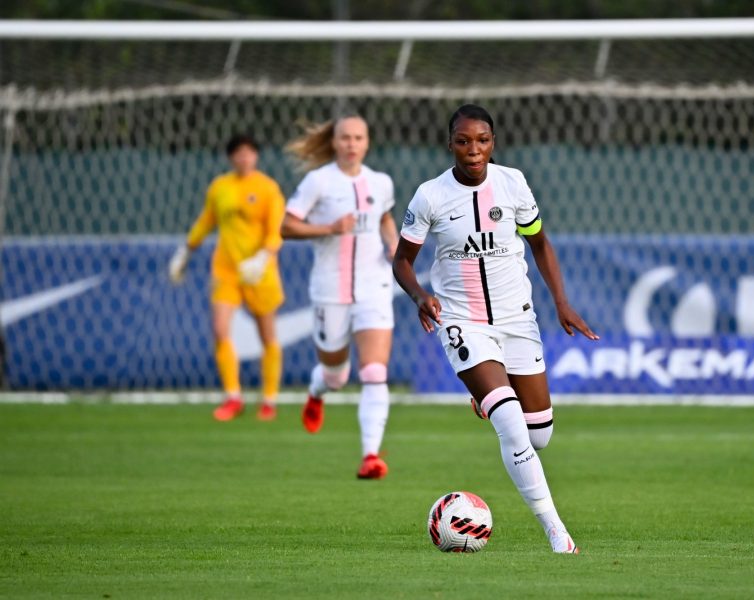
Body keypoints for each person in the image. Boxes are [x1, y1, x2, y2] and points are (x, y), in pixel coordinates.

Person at [392, 104, 598, 553]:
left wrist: (561, 302)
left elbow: (540, 243)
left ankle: (486, 399)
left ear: (493, 143)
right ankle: (556, 530)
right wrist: (419, 296)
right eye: (463, 141)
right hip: (463, 322)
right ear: (450, 144)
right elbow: (402, 261)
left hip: (518, 319)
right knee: (511, 422)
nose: (473, 149)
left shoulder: (514, 183)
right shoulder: (430, 196)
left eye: (482, 140)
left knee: (538, 433)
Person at [281, 116, 399, 480]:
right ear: (334, 142)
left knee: (374, 372)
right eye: (345, 137)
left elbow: (385, 219)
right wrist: (328, 228)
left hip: (374, 286)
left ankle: (370, 456)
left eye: (358, 137)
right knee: (336, 374)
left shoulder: (380, 182)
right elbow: (286, 225)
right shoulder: (319, 181)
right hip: (330, 289)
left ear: (367, 143)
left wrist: (394, 245)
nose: (351, 143)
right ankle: (317, 392)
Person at [168, 133, 286, 422]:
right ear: (231, 157)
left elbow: (276, 230)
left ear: (256, 156)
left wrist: (263, 257)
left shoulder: (268, 188)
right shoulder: (220, 187)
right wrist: (186, 250)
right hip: (226, 270)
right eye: (239, 153)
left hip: (260, 271)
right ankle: (233, 396)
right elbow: (207, 221)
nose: (244, 158)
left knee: (267, 335)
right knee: (220, 330)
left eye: (249, 152)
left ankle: (269, 399)